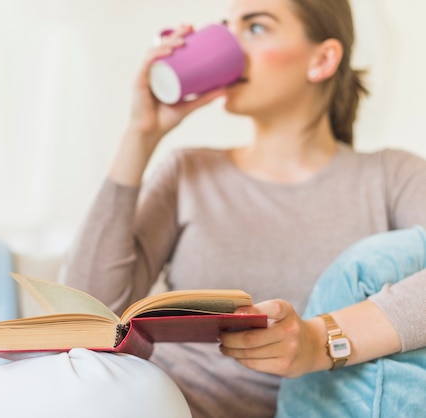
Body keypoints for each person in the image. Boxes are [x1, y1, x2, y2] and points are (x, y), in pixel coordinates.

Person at [59, 0, 426, 417]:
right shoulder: (188, 171)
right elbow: (84, 315)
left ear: (322, 59)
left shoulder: (389, 176)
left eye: (255, 28)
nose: (231, 44)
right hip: (158, 402)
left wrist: (319, 341)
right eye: (225, 27)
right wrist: (140, 135)